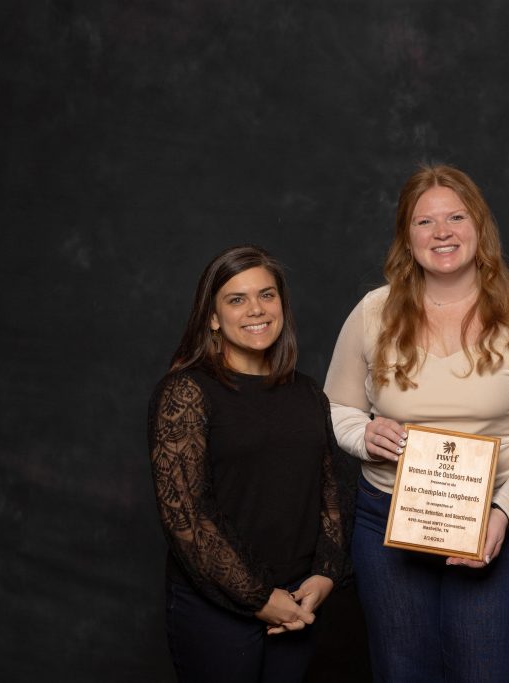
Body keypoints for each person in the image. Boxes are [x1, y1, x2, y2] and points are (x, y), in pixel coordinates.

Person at [324, 164, 509, 682]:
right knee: (402, 674)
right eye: (425, 222)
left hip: (494, 520)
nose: (442, 232)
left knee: (489, 674)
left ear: (479, 227)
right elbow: (337, 407)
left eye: (456, 217)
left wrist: (503, 513)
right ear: (407, 236)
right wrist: (362, 435)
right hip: (387, 523)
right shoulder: (373, 312)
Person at [148, 245, 352, 682]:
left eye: (267, 295)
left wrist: (324, 577)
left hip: (299, 601)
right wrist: (260, 598)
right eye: (236, 299)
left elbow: (331, 491)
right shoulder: (186, 393)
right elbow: (185, 516)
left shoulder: (307, 393)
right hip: (217, 608)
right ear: (213, 316)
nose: (255, 309)